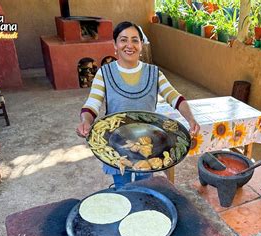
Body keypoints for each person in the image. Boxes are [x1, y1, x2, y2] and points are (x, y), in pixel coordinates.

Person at [76, 21, 200, 188]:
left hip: (148, 145)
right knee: (123, 187)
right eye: (123, 40)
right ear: (115, 44)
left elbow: (176, 98)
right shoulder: (104, 73)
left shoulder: (154, 73)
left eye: (135, 40)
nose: (129, 45)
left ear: (142, 45)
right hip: (117, 144)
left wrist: (191, 118)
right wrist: (86, 121)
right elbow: (92, 104)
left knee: (144, 185)